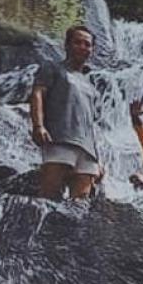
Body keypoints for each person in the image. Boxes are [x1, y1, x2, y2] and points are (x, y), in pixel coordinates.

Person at [30, 25, 103, 200]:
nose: (82, 47)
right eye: (77, 42)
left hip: (88, 150)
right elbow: (37, 94)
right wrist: (38, 126)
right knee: (50, 195)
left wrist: (99, 159)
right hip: (60, 139)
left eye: (87, 44)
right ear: (67, 45)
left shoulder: (91, 84)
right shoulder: (53, 68)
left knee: (81, 204)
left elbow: (92, 124)